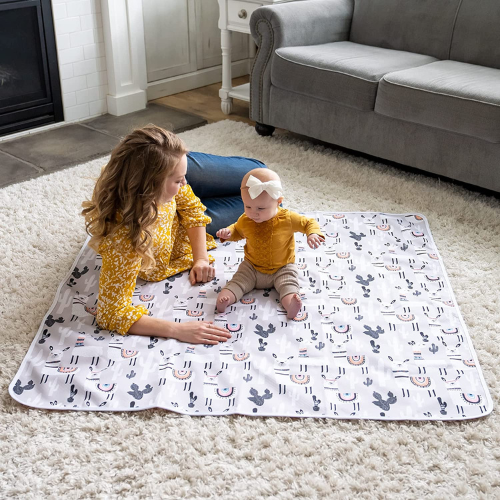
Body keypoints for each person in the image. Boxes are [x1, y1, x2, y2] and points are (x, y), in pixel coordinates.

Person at [82, 125, 265, 343]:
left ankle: (184, 172)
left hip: (176, 163)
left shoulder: (170, 175)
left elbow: (192, 208)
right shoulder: (125, 240)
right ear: (150, 186)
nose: (185, 184)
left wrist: (201, 258)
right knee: (262, 196)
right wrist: (178, 330)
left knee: (260, 173)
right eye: (179, 181)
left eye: (181, 179)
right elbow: (110, 313)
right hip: (171, 186)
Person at [215, 168, 325, 318]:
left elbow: (308, 223)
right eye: (248, 206)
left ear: (279, 201)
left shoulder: (287, 218)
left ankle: (290, 304)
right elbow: (237, 231)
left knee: (289, 284)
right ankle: (226, 298)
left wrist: (312, 233)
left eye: (261, 208)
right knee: (238, 281)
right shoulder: (246, 220)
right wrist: (228, 233)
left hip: (282, 267)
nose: (253, 213)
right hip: (252, 268)